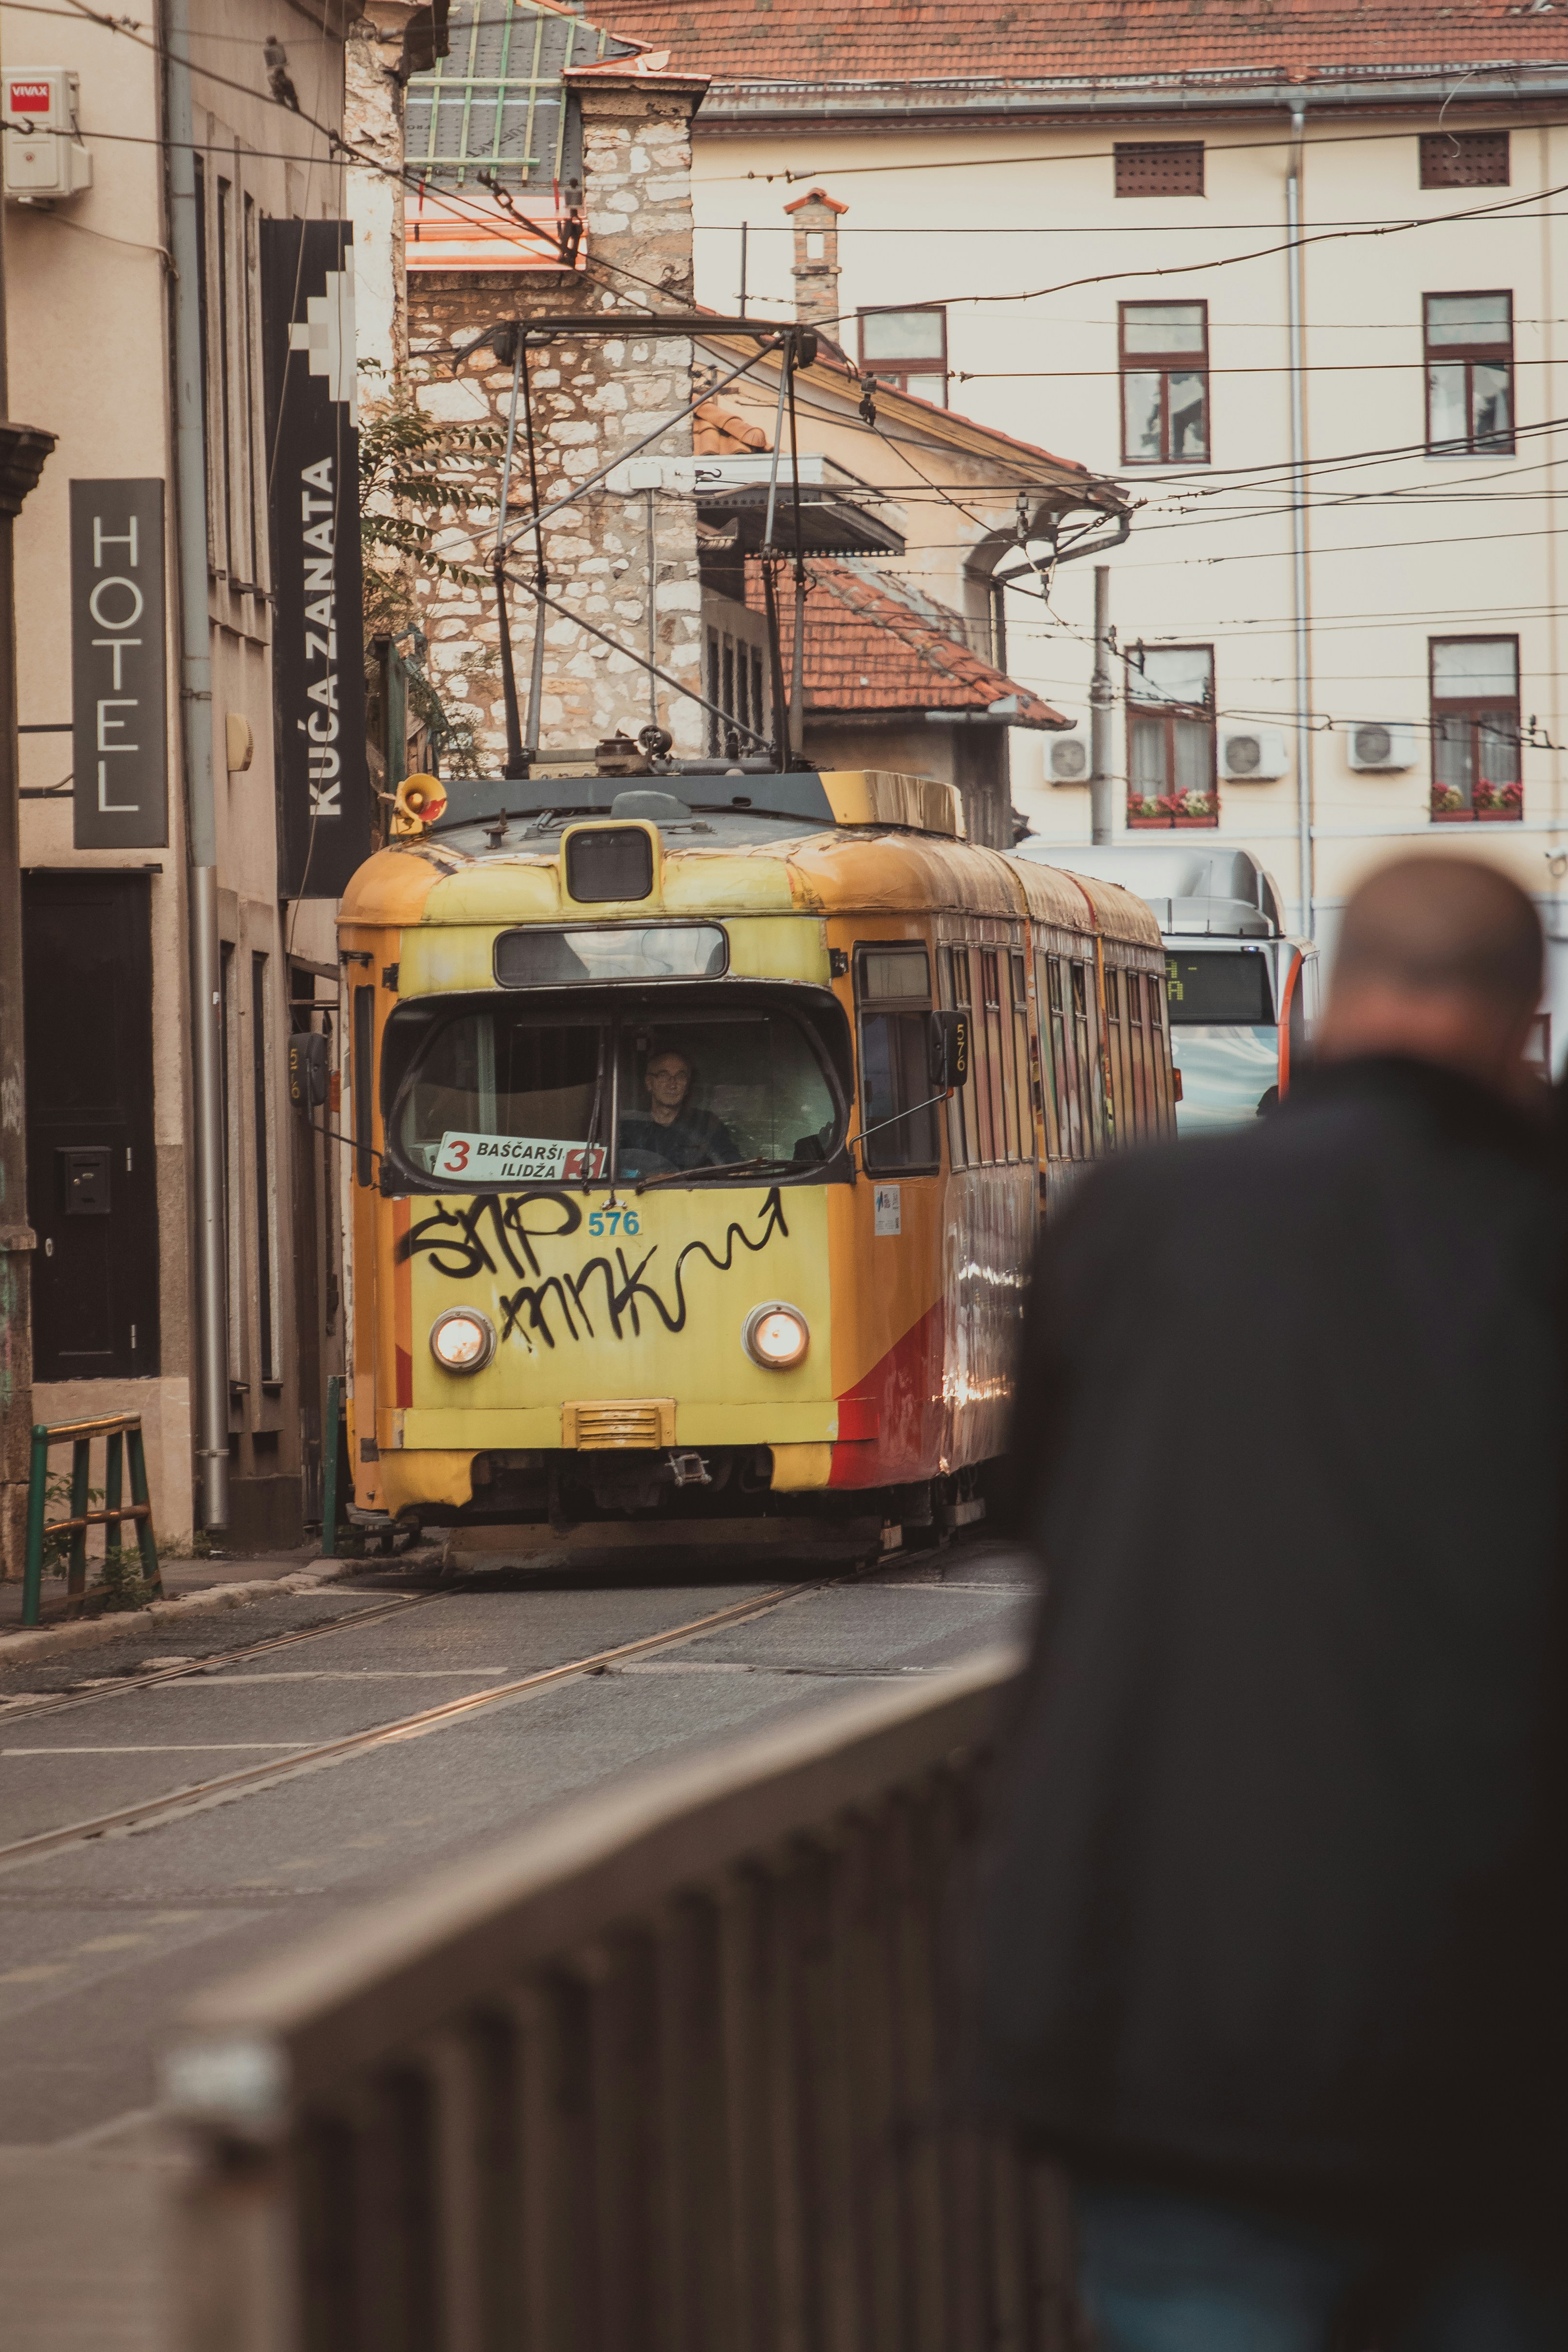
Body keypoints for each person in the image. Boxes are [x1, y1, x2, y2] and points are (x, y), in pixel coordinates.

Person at [977, 855, 1568, 2352]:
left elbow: (1040, 1518)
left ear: (1325, 999)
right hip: (1498, 2059)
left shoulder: (1134, 1220)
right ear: (1523, 1028)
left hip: (1179, 2031)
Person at [617, 1045, 739, 1174]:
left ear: (687, 1087)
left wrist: (738, 1171)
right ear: (649, 1083)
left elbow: (732, 1166)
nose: (673, 1084)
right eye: (664, 1076)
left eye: (681, 1077)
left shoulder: (706, 1125)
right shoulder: (628, 1126)